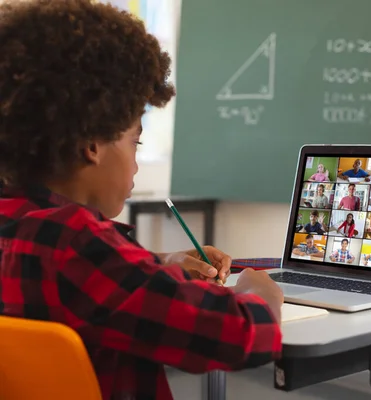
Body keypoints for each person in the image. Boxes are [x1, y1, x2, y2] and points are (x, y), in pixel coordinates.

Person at [0, 2, 283, 399]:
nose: (135, 161)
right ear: (92, 144)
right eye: (136, 140)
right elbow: (238, 336)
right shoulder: (77, 243)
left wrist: (159, 262)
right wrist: (260, 295)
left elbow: (97, 280)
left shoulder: (22, 224)